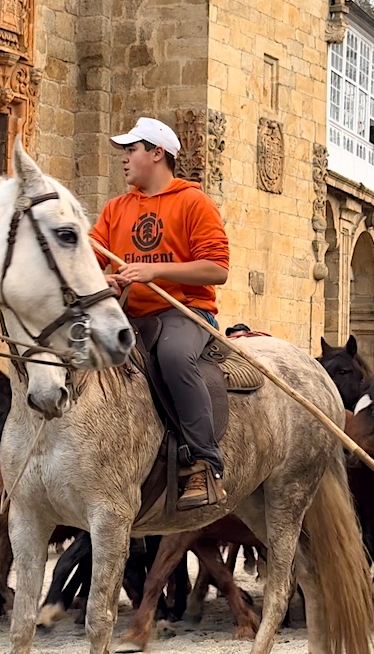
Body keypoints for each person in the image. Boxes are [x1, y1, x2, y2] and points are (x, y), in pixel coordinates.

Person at [92, 116, 230, 510]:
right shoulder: (116, 208)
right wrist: (109, 281)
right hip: (130, 315)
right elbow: (89, 253)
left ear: (157, 154)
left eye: (131, 150)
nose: (123, 158)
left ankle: (205, 463)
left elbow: (217, 269)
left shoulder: (193, 202)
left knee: (172, 355)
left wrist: (155, 270)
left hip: (184, 311)